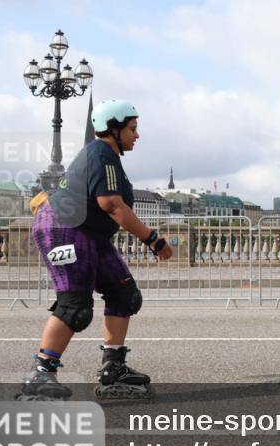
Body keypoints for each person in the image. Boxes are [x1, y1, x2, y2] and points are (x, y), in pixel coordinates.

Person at [18, 99, 174, 401]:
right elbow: (112, 205)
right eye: (132, 128)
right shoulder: (101, 153)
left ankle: (113, 368)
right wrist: (153, 239)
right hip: (64, 228)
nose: (137, 135)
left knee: (123, 293)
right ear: (113, 129)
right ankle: (41, 374)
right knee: (74, 306)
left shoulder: (109, 156)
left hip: (89, 232)